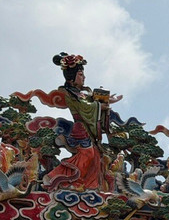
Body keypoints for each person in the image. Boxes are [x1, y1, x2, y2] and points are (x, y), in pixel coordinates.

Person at [42, 53, 121, 191]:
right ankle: (59, 177)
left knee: (96, 157)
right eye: (80, 74)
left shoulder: (83, 93)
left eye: (83, 74)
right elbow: (84, 107)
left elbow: (91, 101)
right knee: (87, 153)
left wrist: (105, 101)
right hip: (81, 129)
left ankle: (91, 186)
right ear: (71, 78)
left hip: (89, 130)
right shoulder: (70, 93)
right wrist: (99, 106)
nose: (84, 77)